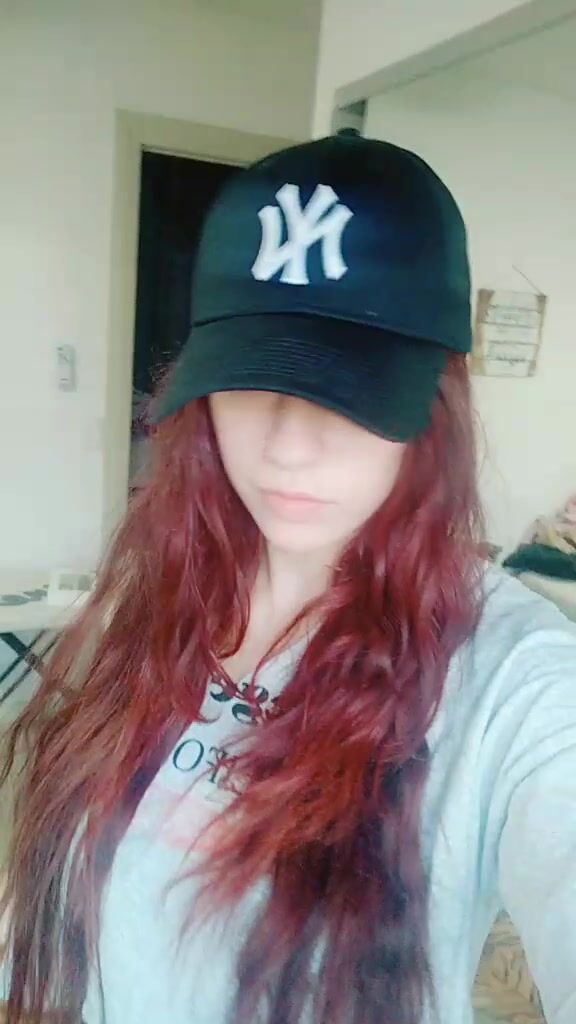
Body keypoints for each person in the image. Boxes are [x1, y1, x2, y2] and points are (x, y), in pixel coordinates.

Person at [1, 130, 575, 1024]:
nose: (288, 444)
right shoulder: (163, 594)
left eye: (351, 385)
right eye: (252, 375)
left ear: (438, 402)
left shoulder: (515, 680)